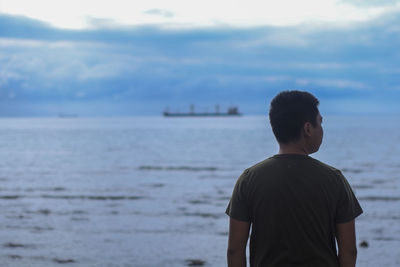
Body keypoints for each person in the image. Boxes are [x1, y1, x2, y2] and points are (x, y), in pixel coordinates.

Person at [226, 90, 363, 267]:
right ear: (307, 128)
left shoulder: (249, 179)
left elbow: (234, 250)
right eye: (320, 123)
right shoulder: (334, 179)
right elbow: (349, 251)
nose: (321, 130)